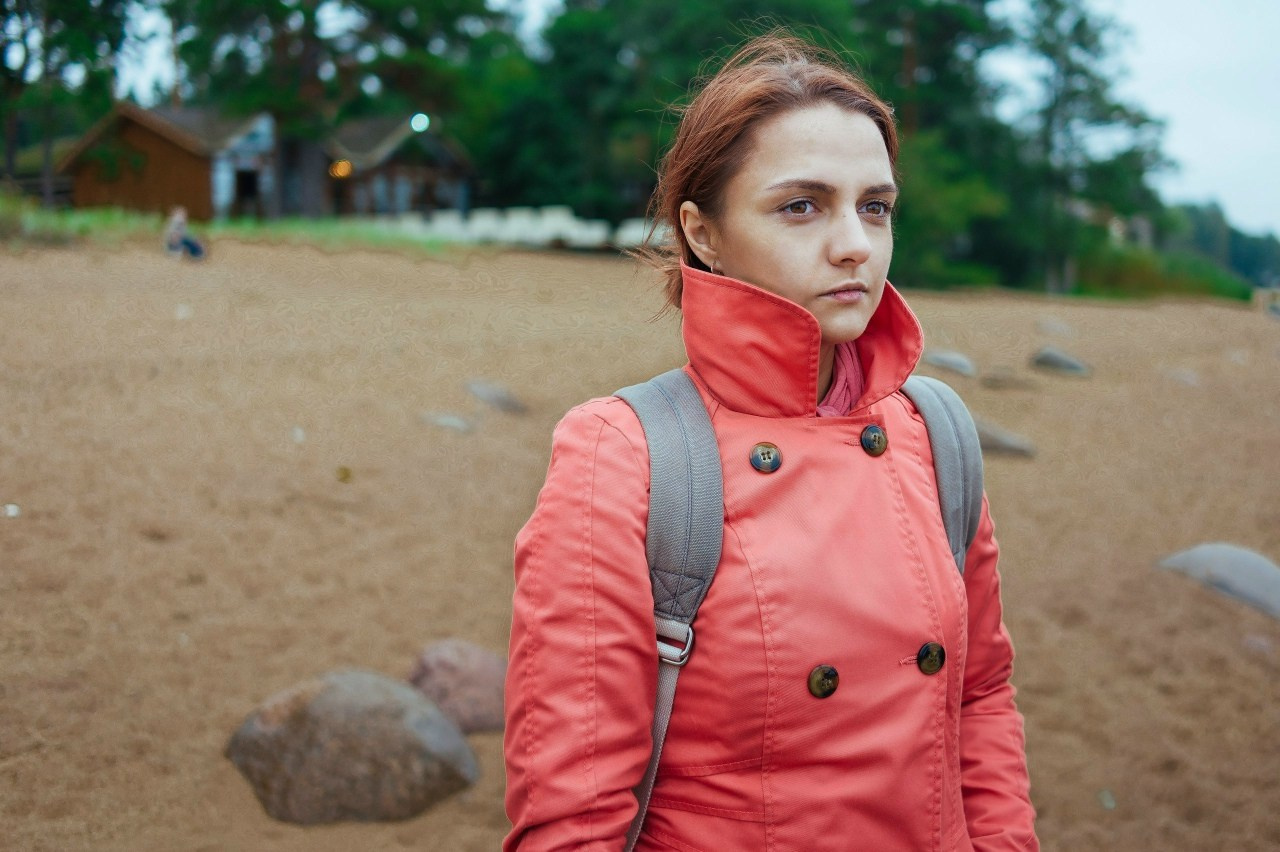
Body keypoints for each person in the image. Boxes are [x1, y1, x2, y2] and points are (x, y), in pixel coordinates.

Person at [504, 32, 1038, 851]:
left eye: (875, 206)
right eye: (801, 206)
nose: (855, 243)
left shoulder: (936, 433)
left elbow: (981, 696)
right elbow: (574, 817)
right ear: (703, 233)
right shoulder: (625, 453)